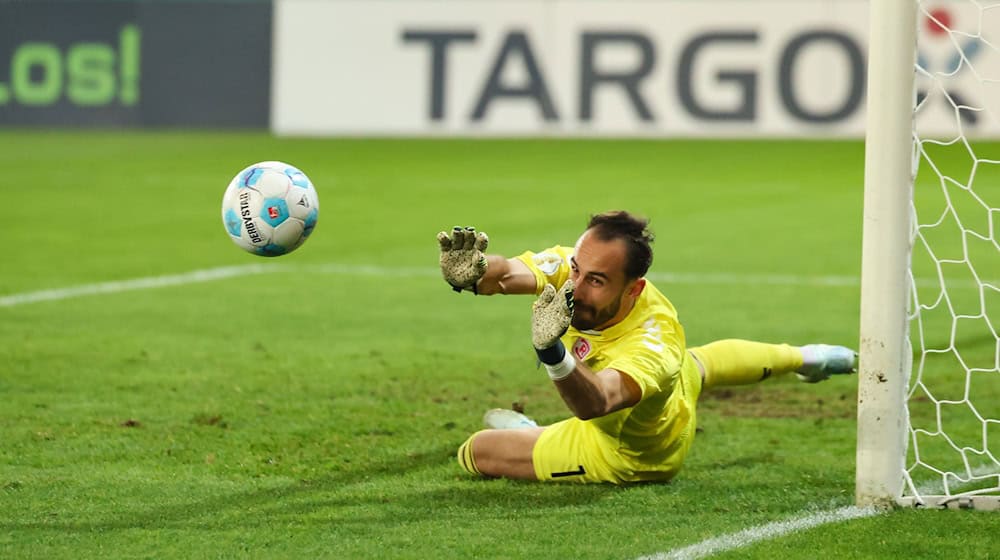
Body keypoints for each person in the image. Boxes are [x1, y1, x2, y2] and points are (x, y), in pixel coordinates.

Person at [437, 210, 856, 484]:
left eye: (596, 281)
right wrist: (471, 273)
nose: (576, 288)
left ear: (634, 289)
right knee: (704, 364)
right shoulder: (576, 270)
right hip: (673, 385)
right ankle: (810, 357)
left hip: (630, 449)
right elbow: (505, 274)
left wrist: (552, 353)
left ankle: (537, 435)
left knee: (476, 450)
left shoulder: (653, 342)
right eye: (577, 271)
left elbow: (598, 403)